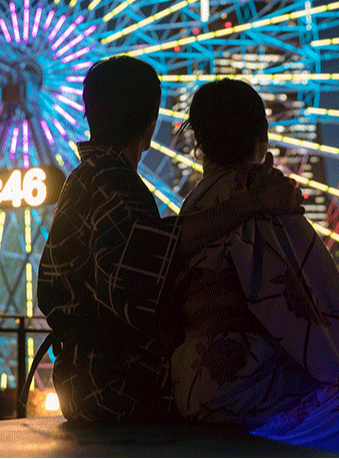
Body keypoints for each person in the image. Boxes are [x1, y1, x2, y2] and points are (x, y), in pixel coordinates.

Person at [36, 56, 303, 423]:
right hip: (119, 382)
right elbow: (139, 268)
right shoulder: (114, 183)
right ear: (150, 125)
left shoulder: (84, 179)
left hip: (81, 380)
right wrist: (251, 203)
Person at [170, 78, 339, 455]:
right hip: (245, 387)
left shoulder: (192, 205)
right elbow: (313, 291)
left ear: (197, 141)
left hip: (189, 385)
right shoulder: (264, 193)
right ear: (260, 137)